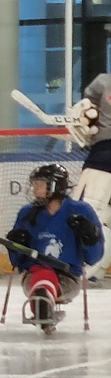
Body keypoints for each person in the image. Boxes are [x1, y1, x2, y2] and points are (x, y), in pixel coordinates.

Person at [6, 164, 105, 333]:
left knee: (45, 277)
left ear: (55, 186)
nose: (34, 188)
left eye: (40, 184)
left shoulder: (81, 210)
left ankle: (42, 299)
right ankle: (42, 298)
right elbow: (17, 262)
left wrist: (90, 236)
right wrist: (16, 245)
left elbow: (93, 258)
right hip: (33, 275)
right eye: (34, 184)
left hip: (67, 278)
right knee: (43, 273)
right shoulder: (27, 212)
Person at [68, 74, 111, 283]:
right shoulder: (103, 82)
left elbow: (85, 108)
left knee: (87, 210)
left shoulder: (103, 81)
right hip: (103, 151)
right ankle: (98, 268)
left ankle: (87, 269)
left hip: (104, 155)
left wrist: (85, 124)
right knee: (106, 217)